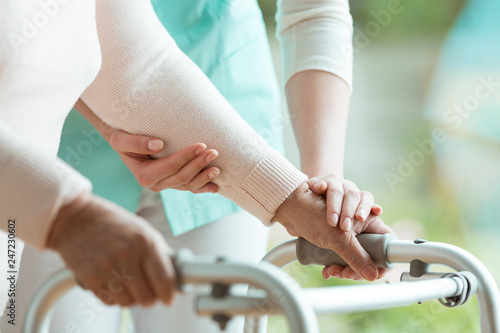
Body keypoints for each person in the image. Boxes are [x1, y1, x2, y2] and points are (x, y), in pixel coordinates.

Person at [0, 0, 393, 331]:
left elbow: (137, 67)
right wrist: (64, 215)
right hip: (49, 170)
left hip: (216, 136)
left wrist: (302, 197)